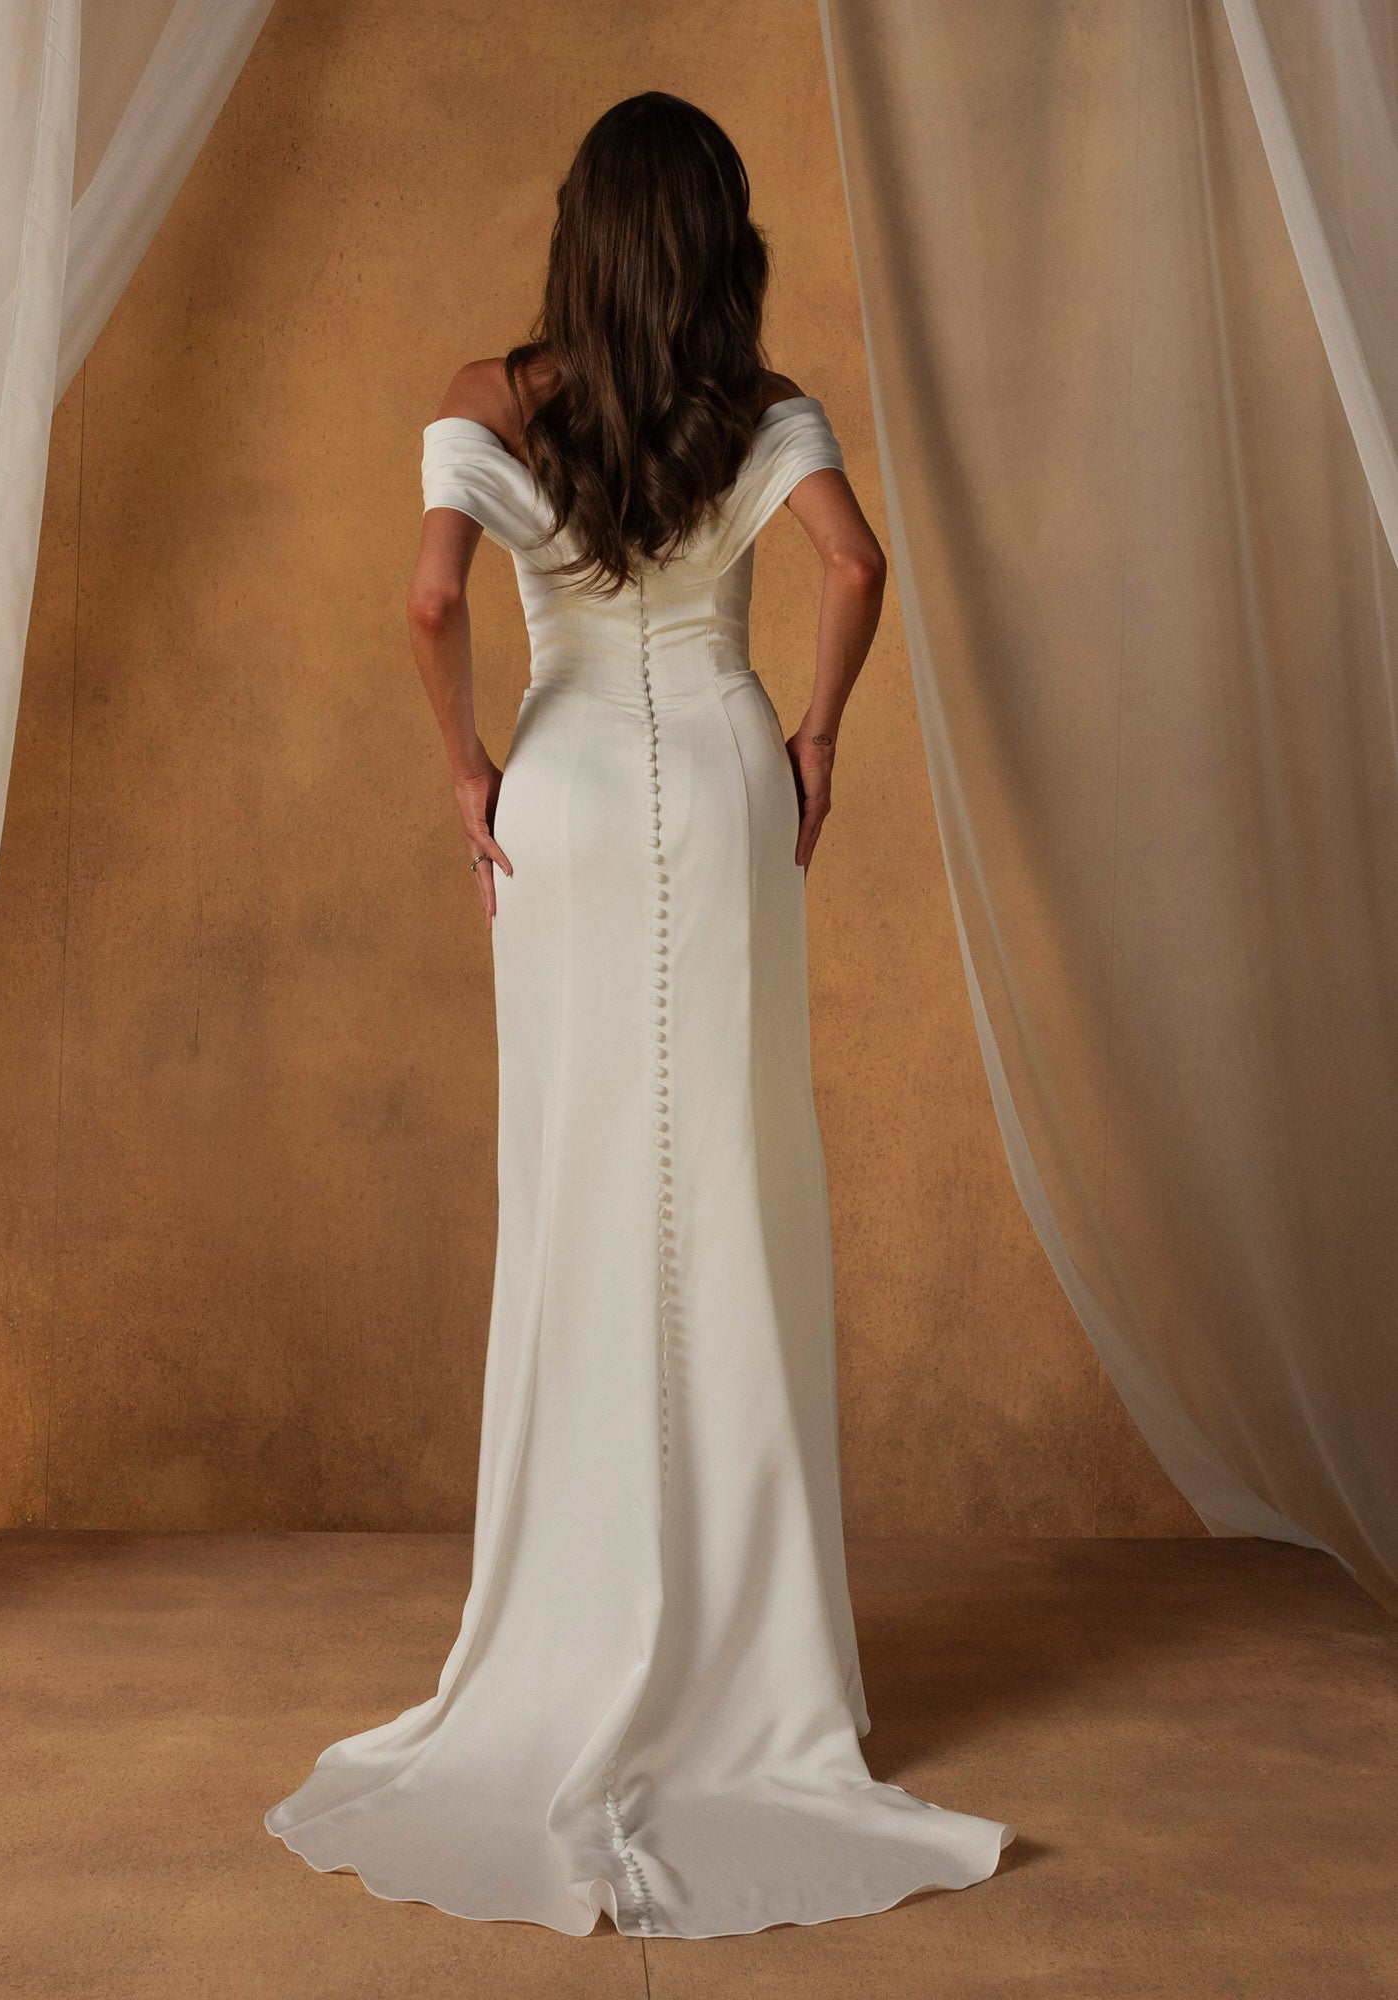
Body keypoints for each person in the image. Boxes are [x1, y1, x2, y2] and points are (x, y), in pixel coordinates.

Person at [264, 89, 1013, 1939]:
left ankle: (578, 1623)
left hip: (575, 791)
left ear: (581, 238)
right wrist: (821, 728)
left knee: (587, 1192)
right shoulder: (758, 408)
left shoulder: (493, 393)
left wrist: (467, 772)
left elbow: (432, 598)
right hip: (731, 779)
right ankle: (748, 1665)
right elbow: (854, 566)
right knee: (737, 1191)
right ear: (724, 244)